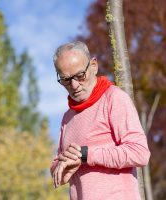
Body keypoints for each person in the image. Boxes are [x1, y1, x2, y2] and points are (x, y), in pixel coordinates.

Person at [50, 41, 150, 200]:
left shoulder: (114, 98)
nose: (74, 85)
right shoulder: (67, 117)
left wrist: (86, 154)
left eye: (79, 75)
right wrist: (62, 169)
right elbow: (57, 166)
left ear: (94, 66)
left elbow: (140, 153)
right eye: (66, 79)